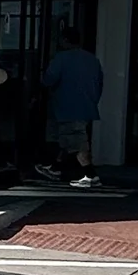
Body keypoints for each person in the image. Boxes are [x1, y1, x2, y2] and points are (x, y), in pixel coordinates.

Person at [36, 27, 104, 189]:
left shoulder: (61, 58)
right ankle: (55, 168)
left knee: (77, 140)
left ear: (65, 40)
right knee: (68, 139)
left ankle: (90, 175)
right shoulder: (92, 59)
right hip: (87, 105)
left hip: (68, 105)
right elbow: (100, 83)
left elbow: (49, 80)